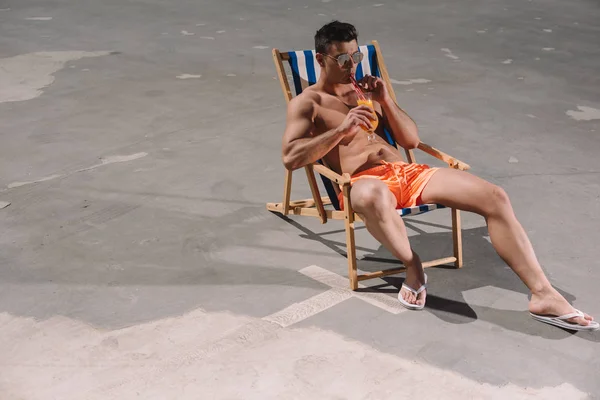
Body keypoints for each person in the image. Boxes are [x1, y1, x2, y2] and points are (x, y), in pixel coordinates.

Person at [280, 20, 597, 331]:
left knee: (495, 196)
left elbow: (410, 141)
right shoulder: (308, 102)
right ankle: (413, 266)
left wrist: (385, 100)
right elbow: (291, 158)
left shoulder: (364, 91)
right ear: (321, 59)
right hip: (364, 183)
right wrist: (341, 130)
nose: (352, 66)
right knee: (371, 195)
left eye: (356, 57)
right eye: (344, 59)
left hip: (407, 173)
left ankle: (543, 295)